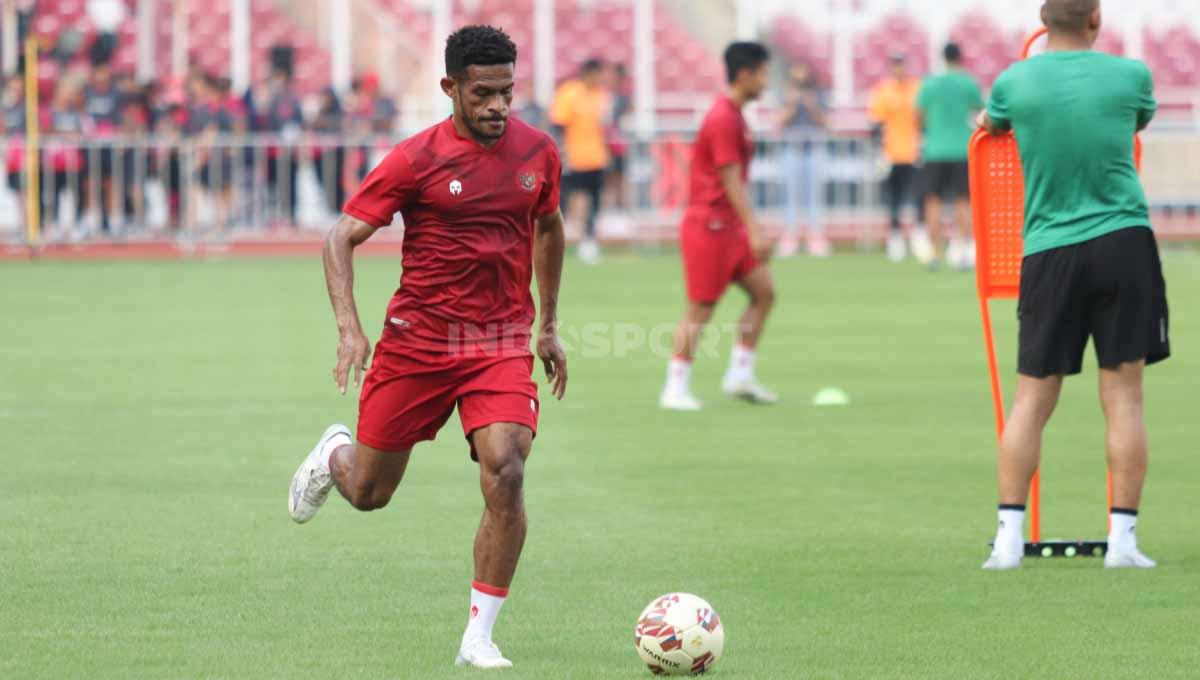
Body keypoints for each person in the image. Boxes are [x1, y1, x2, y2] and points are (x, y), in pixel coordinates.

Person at [287, 25, 568, 668]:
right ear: (450, 88)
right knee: (368, 492)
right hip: (418, 344)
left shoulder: (538, 153)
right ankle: (335, 451)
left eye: (507, 92)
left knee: (507, 465)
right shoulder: (416, 159)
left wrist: (547, 324)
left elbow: (550, 228)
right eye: (483, 93)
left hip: (497, 341)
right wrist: (349, 328)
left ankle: (479, 635)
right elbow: (340, 237)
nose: (498, 106)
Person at [978, 0, 1167, 570]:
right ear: (1095, 20)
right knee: (1124, 398)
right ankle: (1123, 544)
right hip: (1124, 244)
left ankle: (1009, 542)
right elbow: (1134, 123)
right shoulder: (1131, 75)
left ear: (1044, 19)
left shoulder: (1013, 81)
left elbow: (991, 126)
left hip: (1049, 250)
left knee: (1032, 398)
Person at [659, 42, 777, 411]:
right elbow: (730, 179)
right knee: (701, 308)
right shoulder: (723, 117)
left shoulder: (735, 114)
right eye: (763, 72)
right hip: (709, 227)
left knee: (764, 293)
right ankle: (674, 387)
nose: (766, 80)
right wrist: (755, 229)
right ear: (745, 74)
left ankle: (740, 374)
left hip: (728, 227)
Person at [916, 43, 983, 269]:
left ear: (943, 58)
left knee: (933, 201)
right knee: (963, 201)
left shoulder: (931, 83)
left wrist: (929, 131)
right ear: (960, 57)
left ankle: (935, 254)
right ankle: (961, 252)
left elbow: (918, 115)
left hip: (934, 150)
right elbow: (981, 112)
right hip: (961, 150)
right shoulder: (968, 82)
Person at [550, 57, 611, 264]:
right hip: (573, 158)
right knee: (562, 201)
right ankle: (553, 241)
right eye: (598, 74)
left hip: (596, 158)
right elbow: (558, 125)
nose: (601, 78)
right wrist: (562, 152)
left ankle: (589, 241)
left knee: (594, 201)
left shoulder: (601, 96)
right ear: (588, 73)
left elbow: (605, 126)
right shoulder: (569, 93)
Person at [868, 54, 929, 262]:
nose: (898, 70)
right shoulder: (884, 91)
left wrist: (923, 143)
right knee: (893, 197)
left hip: (914, 153)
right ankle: (895, 239)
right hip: (892, 153)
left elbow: (925, 119)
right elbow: (876, 123)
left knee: (918, 196)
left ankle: (919, 236)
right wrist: (880, 152)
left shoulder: (917, 88)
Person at [777, 62, 830, 258]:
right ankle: (790, 236)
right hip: (792, 149)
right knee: (791, 195)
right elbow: (780, 121)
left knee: (814, 195)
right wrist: (793, 103)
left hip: (813, 149)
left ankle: (815, 237)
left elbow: (826, 122)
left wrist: (810, 104)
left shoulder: (819, 95)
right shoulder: (786, 95)